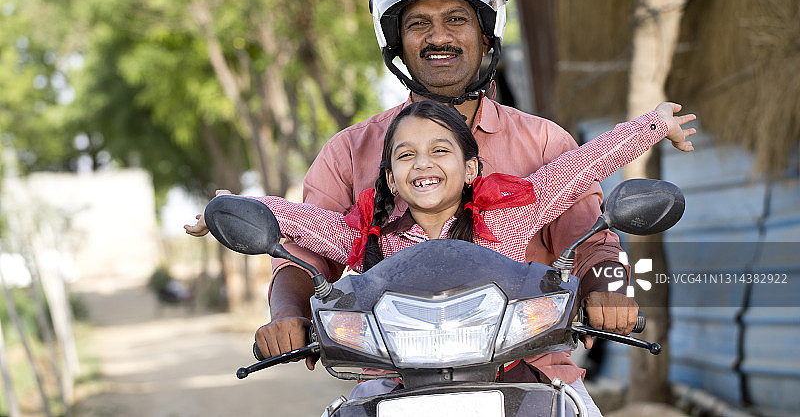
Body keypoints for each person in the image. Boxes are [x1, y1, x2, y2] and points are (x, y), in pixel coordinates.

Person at [184, 0, 691, 413]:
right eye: (418, 24)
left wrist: (608, 292)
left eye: (456, 19)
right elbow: (302, 242)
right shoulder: (360, 193)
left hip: (531, 372)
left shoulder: (527, 177)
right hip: (389, 378)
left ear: (472, 167)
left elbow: (591, 232)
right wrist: (282, 307)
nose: (439, 37)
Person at [188, 99, 694, 414]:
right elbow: (291, 218)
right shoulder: (361, 236)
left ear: (471, 167)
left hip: (514, 370)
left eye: (440, 150)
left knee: (578, 411)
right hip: (394, 381)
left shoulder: (512, 212)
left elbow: (582, 167)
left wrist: (653, 125)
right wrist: (225, 210)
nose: (422, 164)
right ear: (390, 177)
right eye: (405, 155)